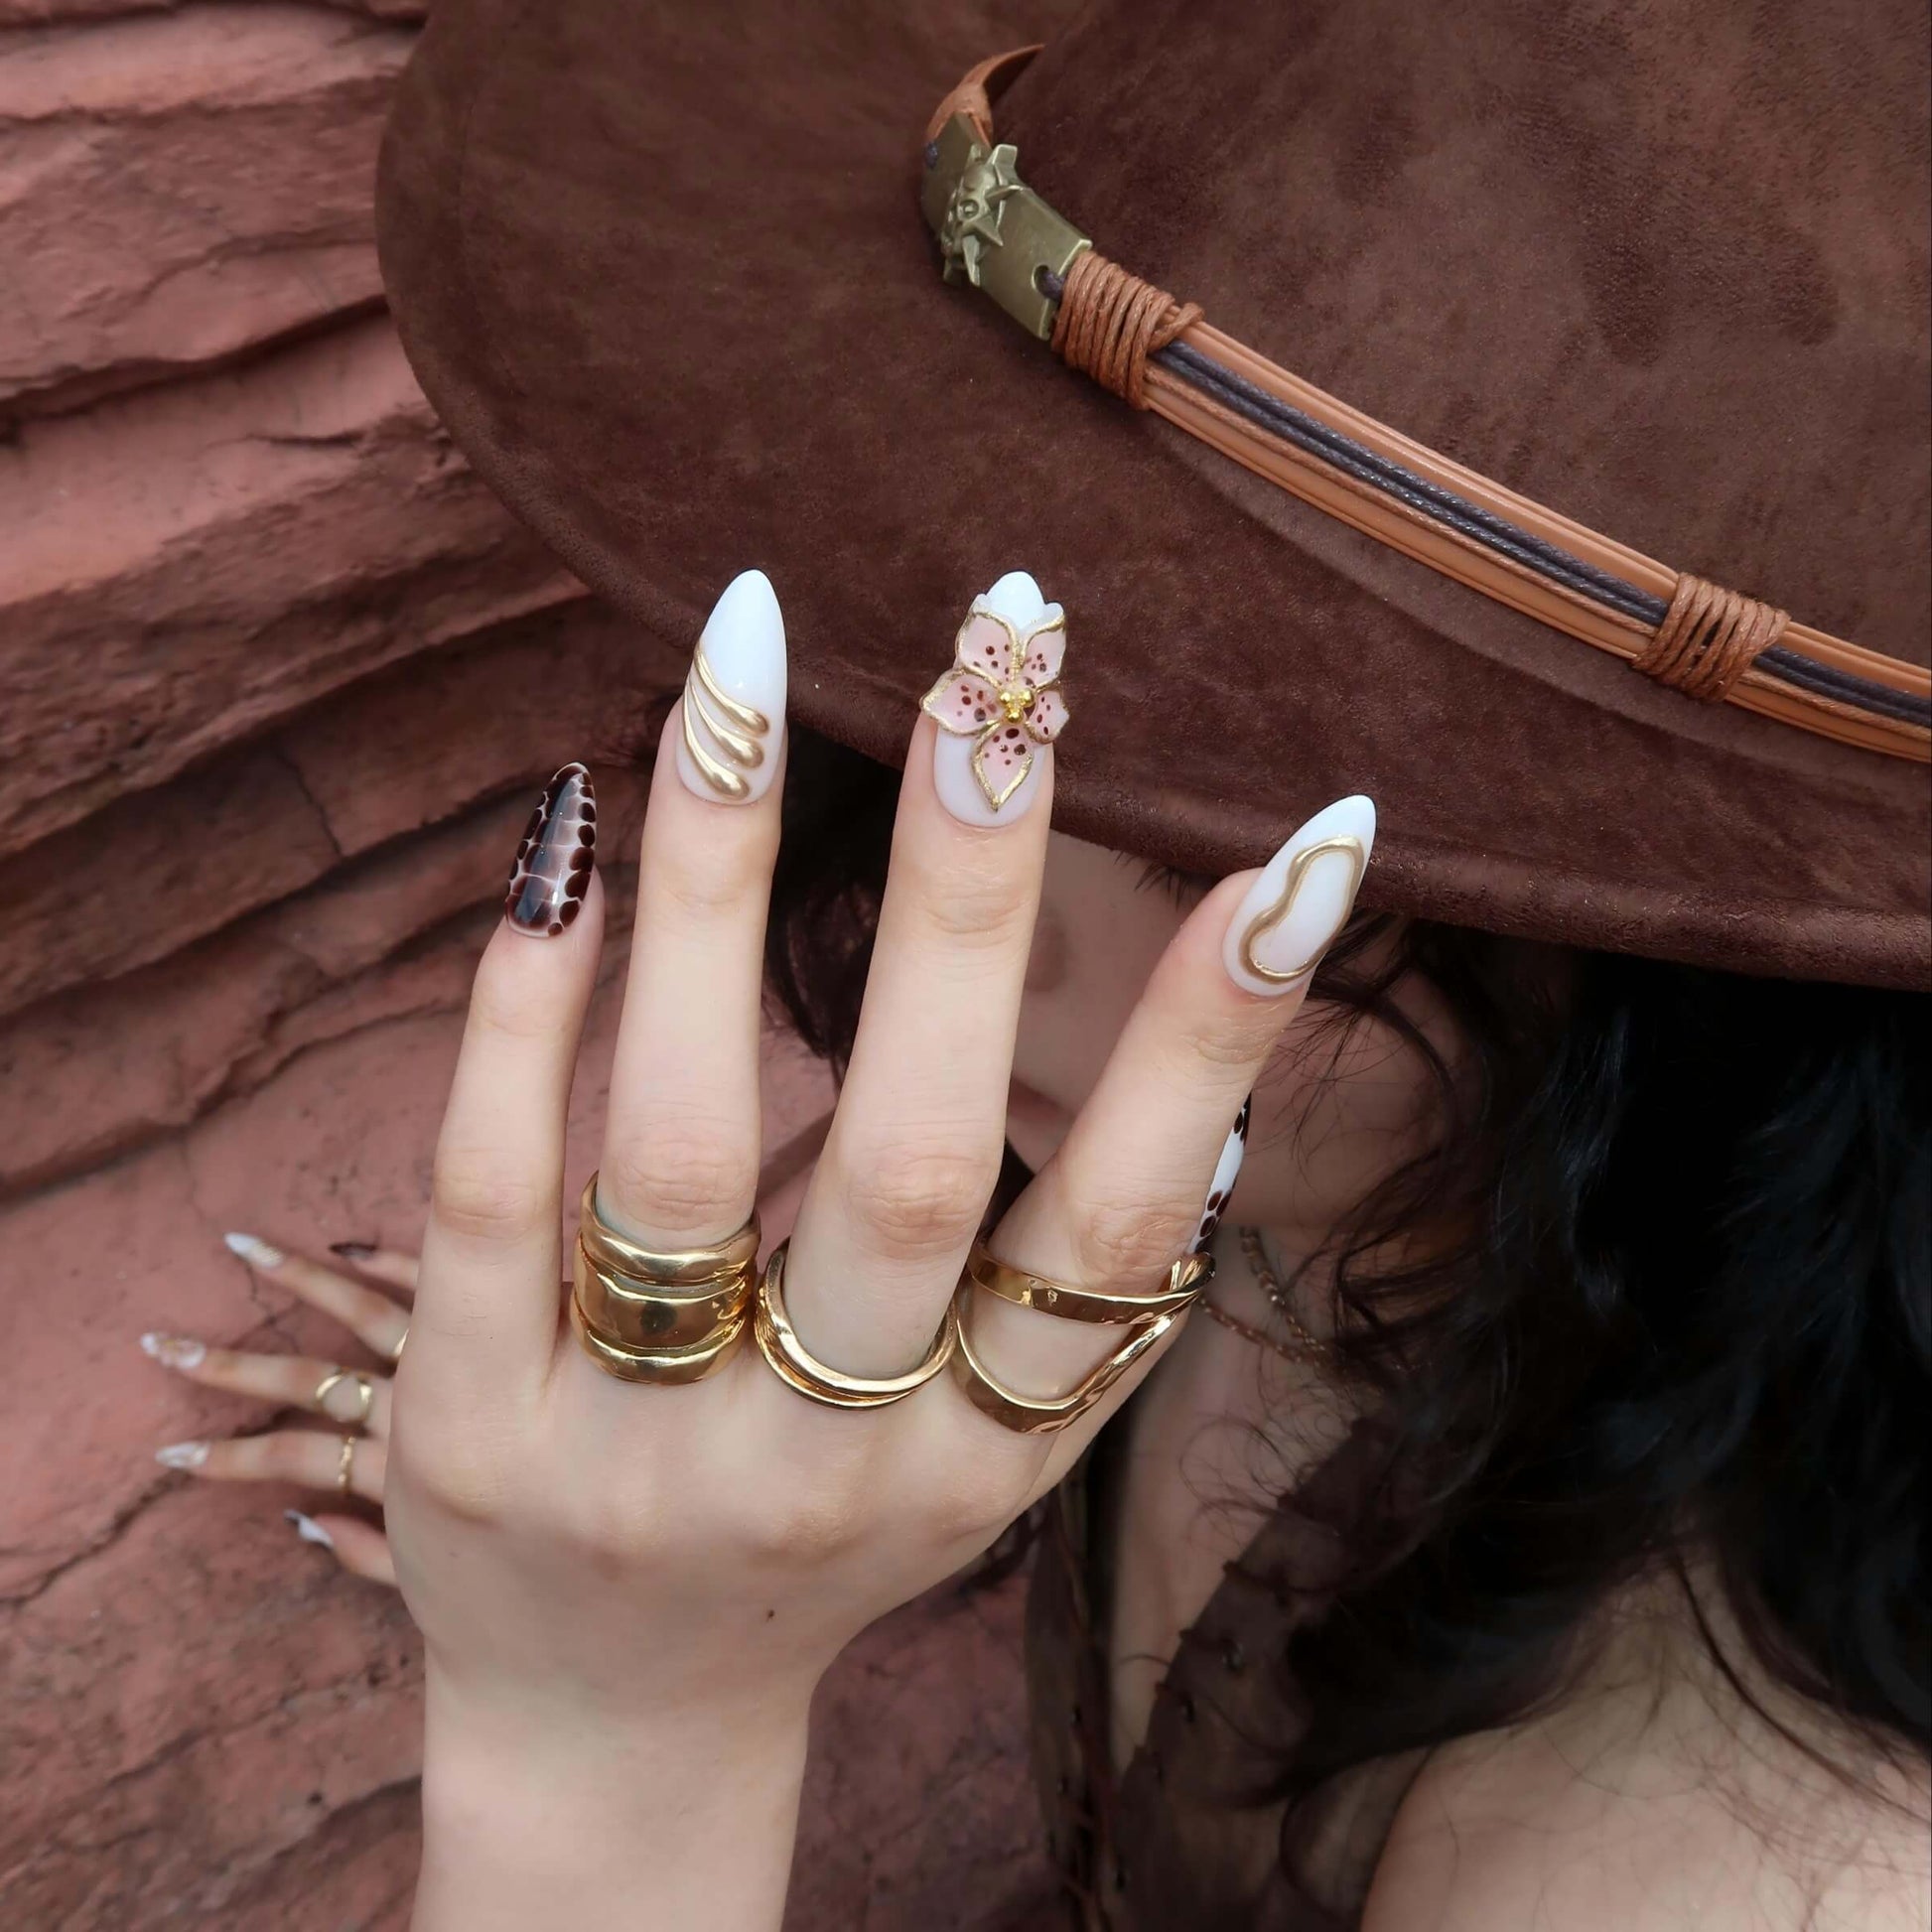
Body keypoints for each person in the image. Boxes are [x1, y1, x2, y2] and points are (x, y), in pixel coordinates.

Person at [145, 0, 1931, 1923]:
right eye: (986, 688)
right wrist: (641, 1494)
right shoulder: (1352, 1189)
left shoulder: (1724, 1868)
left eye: (1230, 855)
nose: (975, 947)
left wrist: (608, 1731)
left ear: (1691, 986)